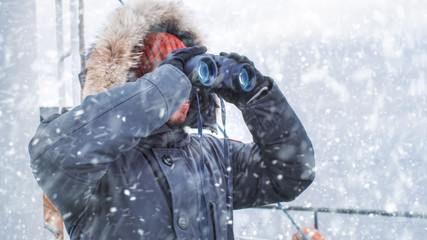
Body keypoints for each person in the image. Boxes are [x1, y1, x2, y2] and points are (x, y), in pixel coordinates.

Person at [29, 0, 315, 239]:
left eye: (186, 76)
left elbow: (292, 174)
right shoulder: (101, 169)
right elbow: (52, 154)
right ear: (133, 80)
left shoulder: (213, 157)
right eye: (165, 71)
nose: (184, 88)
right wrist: (165, 87)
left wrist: (257, 96)